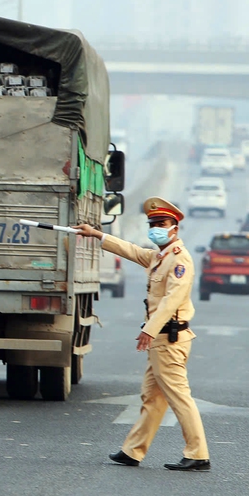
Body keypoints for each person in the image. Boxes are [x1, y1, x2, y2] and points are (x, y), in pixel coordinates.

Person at [74, 197, 211, 472]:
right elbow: (131, 250)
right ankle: (132, 451)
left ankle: (198, 453)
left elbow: (172, 300)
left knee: (178, 396)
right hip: (162, 339)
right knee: (153, 397)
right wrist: (96, 234)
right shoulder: (159, 257)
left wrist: (149, 329)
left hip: (169, 339)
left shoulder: (179, 260)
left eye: (162, 223)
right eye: (153, 224)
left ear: (175, 228)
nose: (156, 228)